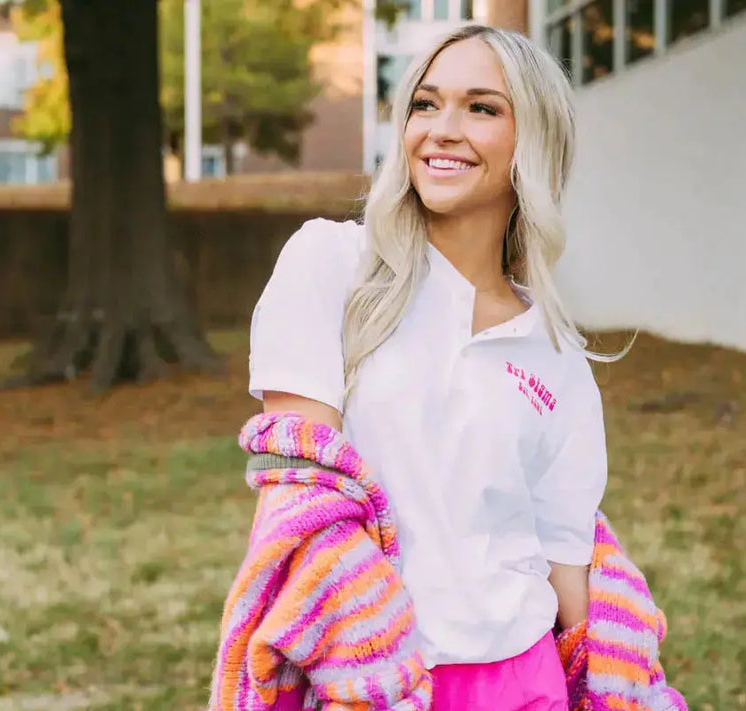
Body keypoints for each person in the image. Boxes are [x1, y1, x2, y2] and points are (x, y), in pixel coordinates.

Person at [245, 23, 625, 710]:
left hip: (522, 678)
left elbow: (568, 572)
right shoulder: (331, 265)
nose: (442, 129)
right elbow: (305, 498)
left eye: (482, 107)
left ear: (533, 142)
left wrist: (624, 684)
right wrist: (368, 680)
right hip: (361, 673)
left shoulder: (558, 355)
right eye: (425, 104)